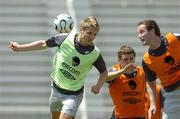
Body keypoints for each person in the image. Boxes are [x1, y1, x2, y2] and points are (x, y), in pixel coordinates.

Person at [9, 16, 108, 119]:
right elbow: (43, 44)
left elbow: (104, 72)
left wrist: (98, 86)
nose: (92, 37)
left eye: (95, 34)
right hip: (56, 91)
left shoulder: (95, 53)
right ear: (81, 30)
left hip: (73, 95)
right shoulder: (65, 38)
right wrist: (20, 48)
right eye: (89, 33)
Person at [137, 19, 180, 119]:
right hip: (173, 95)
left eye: (141, 32)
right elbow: (151, 85)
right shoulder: (146, 60)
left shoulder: (175, 38)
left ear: (152, 31)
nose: (139, 36)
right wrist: (152, 104)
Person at [106, 45, 147, 119]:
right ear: (119, 61)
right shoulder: (115, 71)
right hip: (120, 116)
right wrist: (123, 71)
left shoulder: (141, 72)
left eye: (131, 59)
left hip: (139, 116)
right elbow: (103, 77)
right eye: (125, 59)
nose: (129, 62)